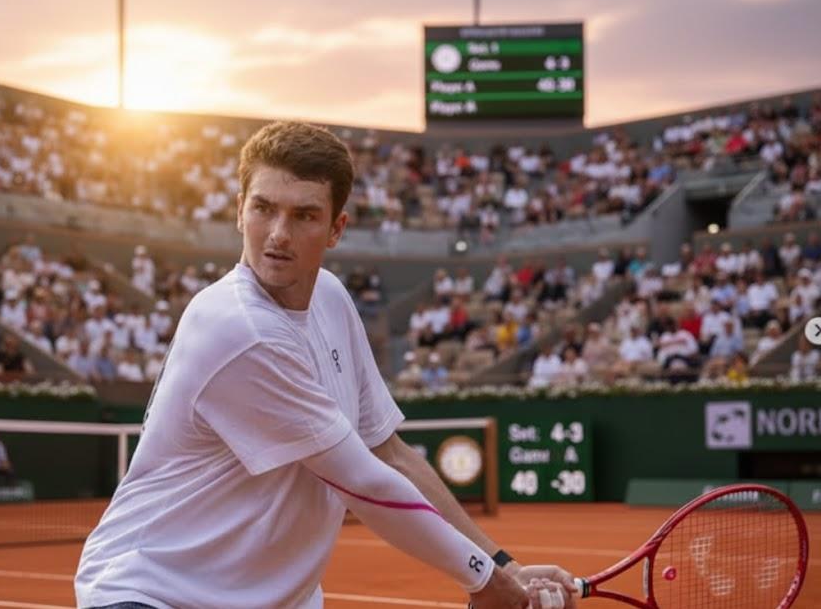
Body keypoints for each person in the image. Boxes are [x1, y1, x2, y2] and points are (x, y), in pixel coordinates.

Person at [75, 122, 575, 609]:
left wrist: (500, 564)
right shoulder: (240, 328)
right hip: (150, 593)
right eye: (263, 209)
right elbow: (363, 482)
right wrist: (487, 581)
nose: (278, 235)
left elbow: (390, 455)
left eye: (305, 216)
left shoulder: (331, 299)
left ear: (337, 228)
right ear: (238, 211)